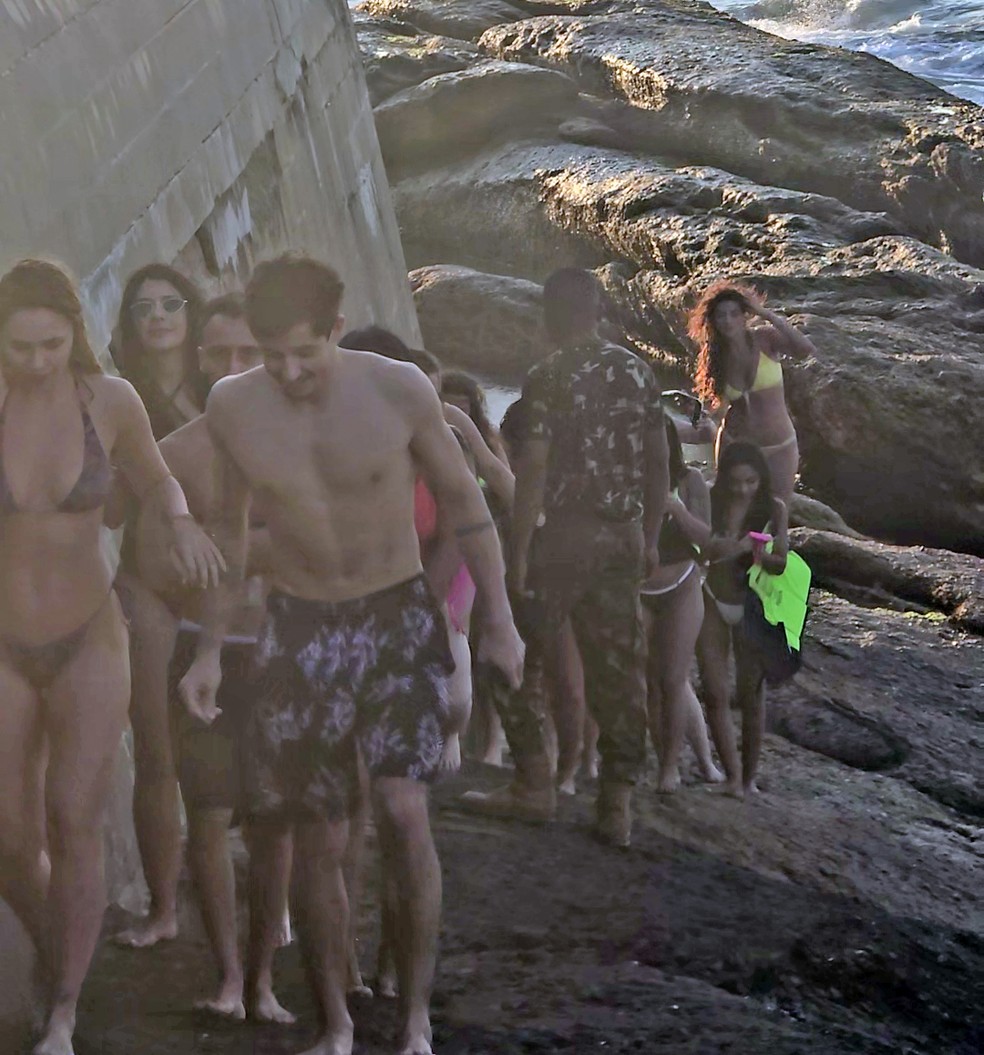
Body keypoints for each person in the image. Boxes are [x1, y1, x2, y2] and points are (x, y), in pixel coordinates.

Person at [179, 255, 523, 1055]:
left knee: (404, 811)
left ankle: (415, 1018)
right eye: (273, 355)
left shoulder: (397, 388)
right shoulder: (233, 407)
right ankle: (335, 1022)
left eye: (305, 350)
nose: (289, 371)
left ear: (336, 327)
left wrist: (501, 619)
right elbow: (231, 537)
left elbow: (468, 505)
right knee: (318, 831)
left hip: (395, 612)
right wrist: (205, 651)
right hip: (301, 627)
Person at [0, 259, 222, 1055]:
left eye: (50, 344)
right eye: (20, 346)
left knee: (74, 814)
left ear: (73, 335)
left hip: (90, 635)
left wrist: (184, 520)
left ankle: (63, 1010)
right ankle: (54, 946)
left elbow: (160, 482)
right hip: (5, 640)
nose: (36, 361)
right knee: (10, 836)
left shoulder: (111, 401)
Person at [462, 268, 669, 848]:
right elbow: (658, 461)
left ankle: (532, 782)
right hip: (622, 536)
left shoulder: (550, 374)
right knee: (619, 668)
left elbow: (534, 467)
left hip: (565, 538)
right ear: (599, 310)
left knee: (511, 653)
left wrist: (521, 550)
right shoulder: (637, 371)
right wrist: (649, 536)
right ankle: (617, 803)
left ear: (549, 317)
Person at [132, 293, 293, 1022]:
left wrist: (232, 551)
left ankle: (263, 979)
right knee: (208, 817)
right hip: (209, 655)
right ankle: (230, 977)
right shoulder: (177, 454)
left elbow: (337, 543)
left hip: (290, 649)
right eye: (220, 355)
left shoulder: (307, 439)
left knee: (275, 822)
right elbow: (154, 564)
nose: (234, 370)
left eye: (248, 355)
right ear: (200, 360)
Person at [110, 263, 211, 949]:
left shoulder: (223, 390)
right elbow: (112, 507)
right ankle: (163, 909)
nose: (158, 316)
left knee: (233, 746)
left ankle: (261, 904)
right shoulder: (120, 398)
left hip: (226, 584)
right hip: (143, 583)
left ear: (190, 313)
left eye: (171, 303)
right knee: (156, 748)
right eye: (143, 307)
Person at [498, 397, 598, 794]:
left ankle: (567, 770)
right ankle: (553, 765)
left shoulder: (574, 487)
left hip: (563, 580)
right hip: (522, 581)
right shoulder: (510, 478)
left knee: (570, 683)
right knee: (528, 679)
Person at [697, 441, 788, 798]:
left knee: (751, 694)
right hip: (712, 598)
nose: (742, 488)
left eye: (750, 481)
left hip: (753, 604)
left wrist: (757, 554)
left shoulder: (773, 508)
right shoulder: (709, 498)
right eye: (736, 481)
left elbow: (782, 562)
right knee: (715, 691)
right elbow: (698, 547)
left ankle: (749, 780)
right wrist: (723, 547)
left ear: (760, 479)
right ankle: (732, 777)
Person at [641, 419, 722, 792]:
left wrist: (676, 510)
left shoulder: (689, 480)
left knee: (673, 679)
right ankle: (657, 757)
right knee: (648, 682)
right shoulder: (624, 480)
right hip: (637, 588)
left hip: (681, 583)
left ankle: (670, 768)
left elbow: (709, 542)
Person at [689, 281, 816, 503]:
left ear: (744, 316)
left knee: (778, 509)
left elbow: (805, 350)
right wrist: (706, 420)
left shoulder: (765, 338)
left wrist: (766, 314)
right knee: (731, 510)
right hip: (735, 443)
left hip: (779, 445)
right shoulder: (715, 357)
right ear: (713, 321)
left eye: (733, 314)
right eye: (721, 316)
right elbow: (718, 406)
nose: (727, 321)